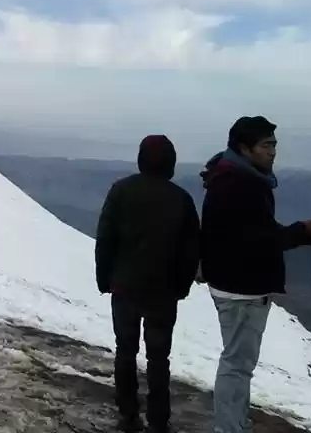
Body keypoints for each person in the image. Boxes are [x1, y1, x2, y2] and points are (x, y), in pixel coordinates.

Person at [199, 116, 311, 433]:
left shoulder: (233, 178)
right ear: (244, 149)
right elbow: (259, 239)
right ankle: (230, 428)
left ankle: (235, 424)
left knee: (238, 364)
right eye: (266, 145)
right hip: (240, 289)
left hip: (234, 283)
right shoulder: (239, 185)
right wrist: (303, 231)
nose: (273, 152)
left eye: (274, 145)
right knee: (237, 366)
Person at [95, 135, 200, 433]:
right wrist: (181, 287)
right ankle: (158, 420)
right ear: (172, 164)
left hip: (124, 288)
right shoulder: (181, 199)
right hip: (163, 293)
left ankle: (128, 414)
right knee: (158, 358)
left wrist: (105, 279)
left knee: (125, 350)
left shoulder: (121, 191)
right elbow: (191, 250)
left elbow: (105, 239)